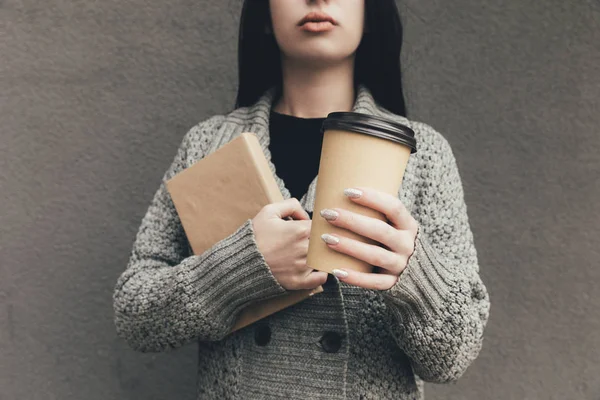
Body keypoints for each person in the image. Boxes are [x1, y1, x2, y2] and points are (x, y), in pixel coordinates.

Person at [113, 0, 490, 399]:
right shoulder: (208, 145)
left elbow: (455, 357)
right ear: (263, 12)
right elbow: (134, 314)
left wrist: (415, 277)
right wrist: (235, 270)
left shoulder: (422, 154)